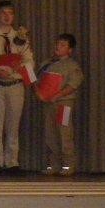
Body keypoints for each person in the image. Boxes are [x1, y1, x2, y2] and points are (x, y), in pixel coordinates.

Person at [0, 0, 35, 174]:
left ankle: (12, 162)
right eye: (3, 12)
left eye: (10, 13)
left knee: (13, 124)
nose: (7, 16)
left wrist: (18, 67)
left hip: (15, 84)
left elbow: (30, 60)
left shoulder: (20, 37)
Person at [36, 33, 84, 176]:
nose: (58, 47)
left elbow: (74, 84)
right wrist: (39, 92)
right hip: (49, 103)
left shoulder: (72, 65)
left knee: (65, 132)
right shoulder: (48, 63)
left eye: (63, 45)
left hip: (64, 103)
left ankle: (68, 165)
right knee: (50, 134)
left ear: (70, 50)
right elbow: (39, 80)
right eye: (57, 44)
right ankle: (54, 164)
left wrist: (58, 95)